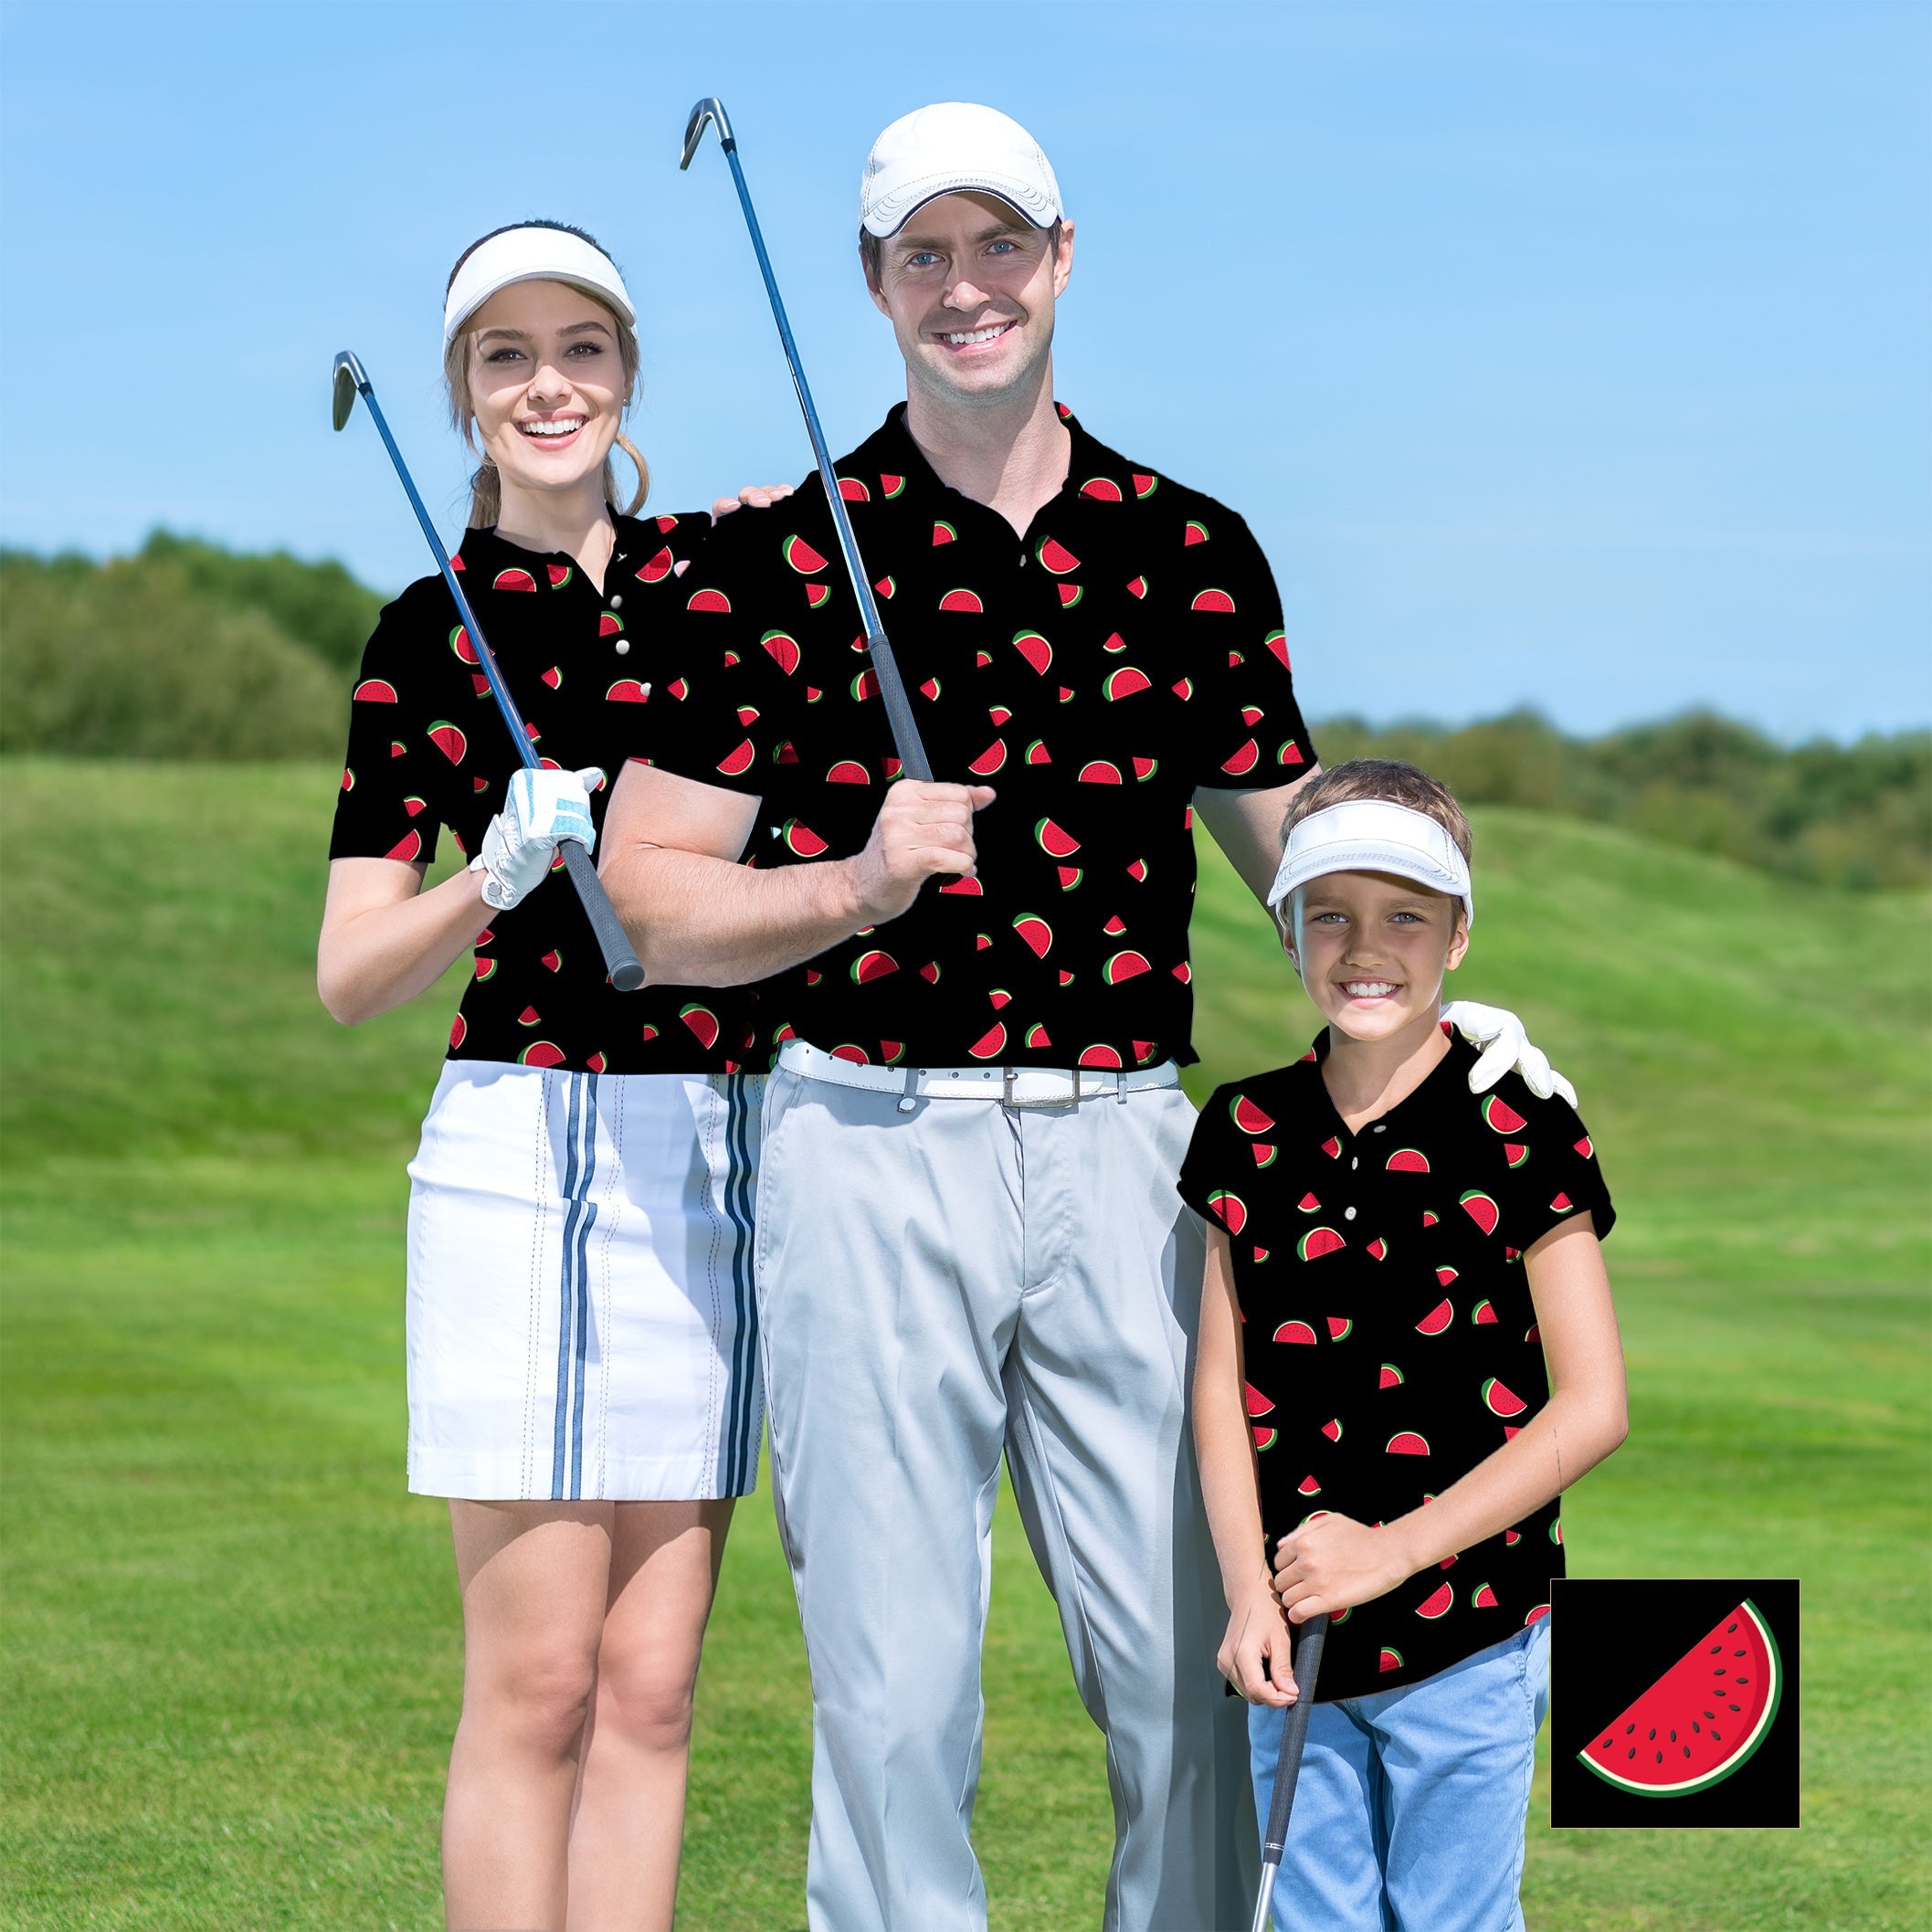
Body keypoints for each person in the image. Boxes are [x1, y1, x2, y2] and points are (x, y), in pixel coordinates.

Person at [598, 106, 1564, 1931]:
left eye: (999, 246)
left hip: (1135, 1154)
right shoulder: (776, 561)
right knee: (894, 1697)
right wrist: (849, 884)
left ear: (1060, 257)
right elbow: (647, 892)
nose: (967, 288)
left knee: (1199, 1666)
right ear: (874, 285)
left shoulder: (1194, 549)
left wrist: (1447, 989)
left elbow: (1299, 858)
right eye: (923, 255)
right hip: (862, 1137)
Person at [318, 220, 782, 1932]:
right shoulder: (422, 635)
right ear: (462, 393)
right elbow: (351, 973)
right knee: (538, 1686)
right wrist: (488, 877)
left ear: (627, 373)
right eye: (505, 355)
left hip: (703, 1153)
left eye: (579, 348)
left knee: (654, 1687)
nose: (547, 384)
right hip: (518, 1142)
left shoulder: (721, 599)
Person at [1181, 759, 1629, 1931]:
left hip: (1473, 1625)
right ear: (1286, 929)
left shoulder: (1525, 1124)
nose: (1363, 945)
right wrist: (1245, 1594)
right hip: (1294, 1632)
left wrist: (1392, 1553)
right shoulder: (1246, 1126)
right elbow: (1219, 1386)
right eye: (1328, 912)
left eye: (1404, 917)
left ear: (1458, 937)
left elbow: (1593, 1407)